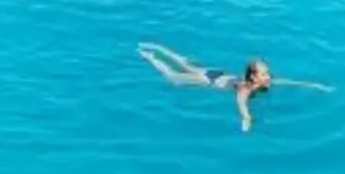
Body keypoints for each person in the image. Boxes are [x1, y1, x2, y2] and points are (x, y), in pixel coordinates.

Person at [137, 44, 330, 132]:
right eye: (264, 74)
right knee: (173, 77)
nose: (268, 76)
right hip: (210, 80)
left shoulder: (263, 83)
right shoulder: (245, 89)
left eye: (267, 73)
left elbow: (289, 82)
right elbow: (241, 104)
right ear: (254, 77)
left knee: (187, 65)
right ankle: (152, 57)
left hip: (218, 73)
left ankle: (158, 48)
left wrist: (314, 85)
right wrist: (247, 120)